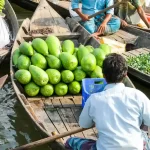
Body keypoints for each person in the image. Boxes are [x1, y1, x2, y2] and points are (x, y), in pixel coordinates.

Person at [65, 53, 150, 150]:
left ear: (103, 75)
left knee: (70, 142)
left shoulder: (94, 99)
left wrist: (95, 121)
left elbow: (84, 124)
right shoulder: (138, 95)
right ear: (126, 75)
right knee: (144, 135)